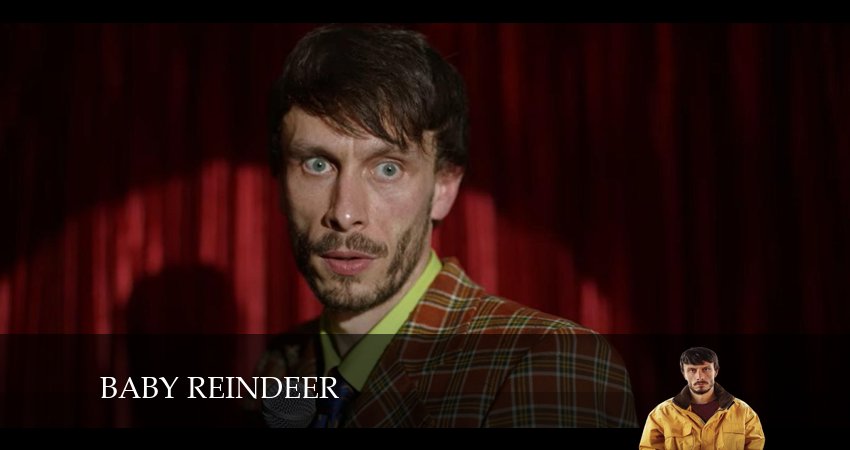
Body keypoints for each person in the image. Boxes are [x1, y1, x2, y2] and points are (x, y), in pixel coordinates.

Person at [254, 24, 637, 428]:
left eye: (388, 169)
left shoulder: (549, 365)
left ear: (444, 188)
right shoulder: (279, 367)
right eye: (317, 165)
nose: (345, 213)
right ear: (280, 183)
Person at [639, 347, 765, 448]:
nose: (700, 377)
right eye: (692, 370)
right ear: (683, 374)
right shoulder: (661, 414)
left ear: (716, 371)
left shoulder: (743, 412)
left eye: (706, 369)